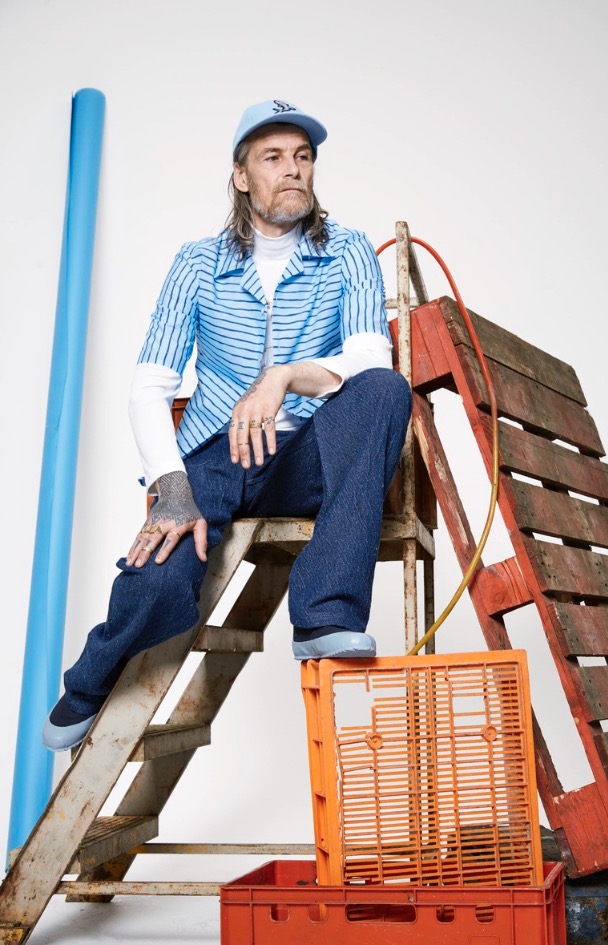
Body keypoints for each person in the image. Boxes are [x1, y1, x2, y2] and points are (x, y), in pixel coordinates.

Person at [42, 99, 412, 752]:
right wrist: (172, 486)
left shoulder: (348, 250)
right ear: (241, 175)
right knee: (160, 580)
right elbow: (149, 386)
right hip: (215, 456)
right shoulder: (197, 263)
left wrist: (284, 376)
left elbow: (368, 358)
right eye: (273, 157)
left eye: (303, 157)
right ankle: (89, 679)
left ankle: (324, 614)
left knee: (385, 389)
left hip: (305, 455)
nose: (292, 169)